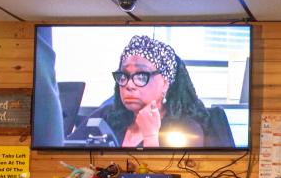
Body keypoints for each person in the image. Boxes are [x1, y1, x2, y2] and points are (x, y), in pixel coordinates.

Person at [91, 34, 235, 148]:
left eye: (141, 76)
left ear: (165, 83)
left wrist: (150, 137)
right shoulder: (106, 118)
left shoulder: (186, 128)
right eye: (124, 76)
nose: (129, 85)